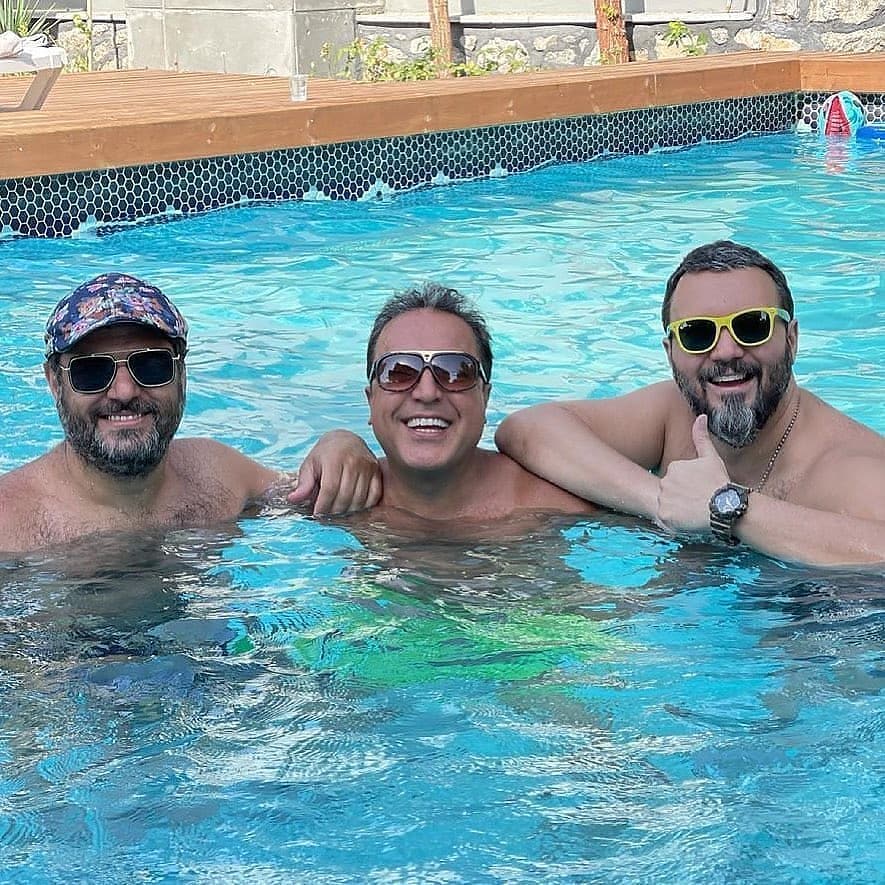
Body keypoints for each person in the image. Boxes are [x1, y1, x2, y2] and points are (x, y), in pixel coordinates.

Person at [494, 240, 885, 567]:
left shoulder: (852, 470)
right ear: (670, 353)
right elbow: (527, 429)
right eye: (698, 334)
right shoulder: (673, 413)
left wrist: (726, 508)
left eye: (752, 326)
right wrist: (660, 500)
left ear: (792, 340)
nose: (726, 351)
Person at [0, 273, 377, 554]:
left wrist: (342, 443)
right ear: (54, 382)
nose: (124, 391)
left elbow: (315, 493)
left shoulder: (220, 474)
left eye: (151, 365)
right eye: (92, 371)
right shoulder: (9, 525)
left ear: (181, 372)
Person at [312, 282, 595, 530]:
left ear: (485, 398)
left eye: (456, 372)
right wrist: (336, 438)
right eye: (399, 372)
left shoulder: (562, 509)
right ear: (371, 400)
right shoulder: (329, 499)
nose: (427, 393)